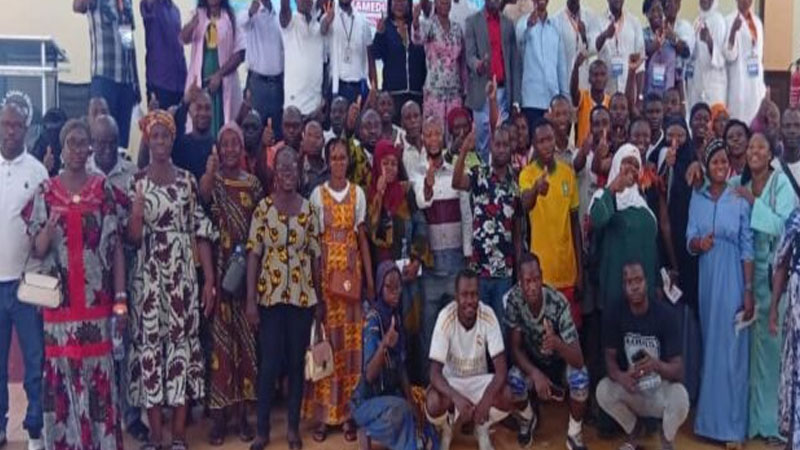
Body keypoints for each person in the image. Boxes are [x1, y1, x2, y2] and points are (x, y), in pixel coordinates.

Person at [23, 119, 125, 449]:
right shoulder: (46, 191)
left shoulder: (102, 188)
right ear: (62, 148)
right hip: (59, 309)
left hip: (97, 306)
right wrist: (49, 229)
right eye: (73, 143)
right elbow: (37, 250)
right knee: (61, 377)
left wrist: (120, 298)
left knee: (99, 378)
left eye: (84, 144)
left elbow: (116, 247)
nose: (79, 150)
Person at [127, 110, 217, 450]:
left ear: (173, 139)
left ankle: (178, 434)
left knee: (181, 348)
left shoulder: (187, 182)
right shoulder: (137, 182)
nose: (161, 141)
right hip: (148, 279)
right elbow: (132, 239)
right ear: (148, 140)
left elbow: (200, 230)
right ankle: (155, 435)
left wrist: (209, 280)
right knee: (150, 349)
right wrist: (137, 213)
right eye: (155, 135)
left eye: (166, 135)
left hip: (181, 278)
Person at [246, 146, 321, 450]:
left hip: (302, 299)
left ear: (299, 172)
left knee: (295, 364)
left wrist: (319, 301)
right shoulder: (263, 209)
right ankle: (263, 430)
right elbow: (253, 255)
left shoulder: (309, 210)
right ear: (275, 173)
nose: (288, 174)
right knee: (269, 364)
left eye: (293, 169)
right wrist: (250, 300)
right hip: (270, 299)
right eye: (283, 169)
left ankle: (292, 428)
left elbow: (315, 256)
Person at [197, 123, 264, 445]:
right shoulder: (215, 181)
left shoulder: (253, 184)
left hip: (247, 272)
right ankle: (219, 419)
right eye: (224, 144)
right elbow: (202, 197)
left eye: (235, 143)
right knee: (220, 348)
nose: (230, 150)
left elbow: (260, 231)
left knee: (247, 346)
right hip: (220, 271)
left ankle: (243, 417)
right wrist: (210, 171)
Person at [305, 138, 375, 443]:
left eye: (342, 157)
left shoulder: (358, 194)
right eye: (333, 157)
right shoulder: (317, 196)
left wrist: (369, 282)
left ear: (349, 161)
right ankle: (324, 416)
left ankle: (348, 415)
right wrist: (316, 291)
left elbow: (362, 240)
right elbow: (314, 247)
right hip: (327, 284)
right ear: (327, 161)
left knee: (351, 348)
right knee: (327, 347)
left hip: (351, 282)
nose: (338, 162)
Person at [687, 138, 754, 446]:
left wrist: (748, 289)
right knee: (711, 347)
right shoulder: (697, 197)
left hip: (733, 280)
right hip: (707, 278)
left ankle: (733, 428)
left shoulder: (738, 198)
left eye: (724, 162)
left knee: (732, 351)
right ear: (706, 164)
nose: (720, 166)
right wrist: (698, 244)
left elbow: (747, 247)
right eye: (715, 161)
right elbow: (689, 237)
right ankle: (709, 424)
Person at [730, 132, 795, 442]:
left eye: (760, 146)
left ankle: (772, 425)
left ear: (771, 154)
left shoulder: (780, 184)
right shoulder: (738, 182)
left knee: (771, 349)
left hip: (773, 277)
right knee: (748, 351)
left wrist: (752, 202)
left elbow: (784, 226)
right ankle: (750, 421)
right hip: (744, 277)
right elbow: (715, 191)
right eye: (750, 146)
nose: (754, 151)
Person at [426, 270, 533, 450]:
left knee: (508, 395)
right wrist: (456, 397)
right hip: (453, 383)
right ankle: (447, 428)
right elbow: (434, 374)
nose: (470, 300)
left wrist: (486, 401)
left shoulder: (488, 315)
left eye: (474, 294)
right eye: (464, 295)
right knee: (433, 402)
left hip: (478, 382)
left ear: (479, 294)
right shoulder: (445, 317)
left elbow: (501, 370)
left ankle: (482, 427)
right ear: (456, 296)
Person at [596, 261, 690, 450]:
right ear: (623, 286)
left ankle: (667, 438)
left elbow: (679, 370)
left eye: (638, 280)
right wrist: (621, 377)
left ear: (646, 282)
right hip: (633, 388)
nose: (634, 286)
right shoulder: (615, 312)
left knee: (681, 397)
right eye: (629, 282)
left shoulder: (665, 315)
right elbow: (609, 358)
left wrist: (656, 365)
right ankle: (634, 430)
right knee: (603, 390)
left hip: (659, 389)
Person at [505, 254, 589, 449]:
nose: (533, 286)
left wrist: (557, 343)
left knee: (581, 377)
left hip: (559, 365)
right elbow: (515, 348)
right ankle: (528, 418)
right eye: (527, 281)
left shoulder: (558, 302)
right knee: (514, 379)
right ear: (520, 281)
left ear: (542, 277)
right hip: (533, 363)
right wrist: (535, 374)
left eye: (536, 279)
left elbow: (578, 359)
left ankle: (574, 433)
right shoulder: (514, 300)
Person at [0, 103, 48, 450]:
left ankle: (34, 430)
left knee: (34, 362)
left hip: (28, 282)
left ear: (27, 129)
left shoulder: (38, 172)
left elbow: (45, 229)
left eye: (16, 125)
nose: (9, 131)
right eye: (4, 124)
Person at [413, 116, 470, 378]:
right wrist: (428, 183)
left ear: (444, 137)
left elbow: (466, 214)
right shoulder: (418, 171)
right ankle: (429, 384)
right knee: (429, 328)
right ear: (423, 139)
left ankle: (457, 380)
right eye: (429, 134)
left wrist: (467, 253)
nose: (434, 139)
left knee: (457, 327)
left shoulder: (455, 170)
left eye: (437, 133)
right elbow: (422, 201)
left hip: (456, 262)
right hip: (431, 267)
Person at [452, 125, 520, 329]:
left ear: (511, 147)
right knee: (479, 328)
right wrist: (464, 149)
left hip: (504, 272)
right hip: (479, 270)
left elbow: (517, 230)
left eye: (505, 145)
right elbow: (456, 182)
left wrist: (517, 270)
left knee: (501, 328)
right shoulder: (479, 173)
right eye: (497, 144)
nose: (501, 149)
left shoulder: (516, 181)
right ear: (491, 146)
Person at [350, 261, 422, 450]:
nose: (395, 292)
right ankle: (367, 429)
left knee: (421, 412)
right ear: (380, 287)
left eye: (398, 287)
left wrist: (411, 401)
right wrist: (384, 345)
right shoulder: (373, 320)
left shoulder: (395, 317)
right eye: (389, 287)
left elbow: (401, 366)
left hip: (389, 395)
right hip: (366, 401)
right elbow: (369, 375)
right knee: (402, 412)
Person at [519, 119, 582, 327]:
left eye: (549, 139)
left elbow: (574, 224)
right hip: (541, 275)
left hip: (568, 272)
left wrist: (580, 273)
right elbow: (525, 203)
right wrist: (536, 189)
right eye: (541, 141)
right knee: (543, 334)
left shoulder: (568, 173)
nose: (546, 145)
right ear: (534, 145)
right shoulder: (527, 174)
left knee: (570, 332)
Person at [590, 144, 658, 312]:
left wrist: (658, 283)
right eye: (627, 162)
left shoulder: (641, 202)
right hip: (616, 289)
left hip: (644, 293)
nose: (631, 168)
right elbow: (597, 219)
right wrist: (613, 188)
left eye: (636, 165)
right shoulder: (602, 195)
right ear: (617, 164)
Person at [73, 0, 140, 147]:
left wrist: (136, 84)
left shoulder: (126, 2)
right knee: (101, 136)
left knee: (121, 142)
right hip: (104, 77)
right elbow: (77, 6)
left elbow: (128, 43)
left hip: (127, 82)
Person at [181, 0, 245, 138]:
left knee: (222, 124)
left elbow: (240, 53)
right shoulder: (198, 14)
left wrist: (219, 75)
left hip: (222, 83)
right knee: (198, 124)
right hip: (200, 84)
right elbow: (183, 39)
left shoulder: (230, 17)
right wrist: (192, 24)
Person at [464, 0, 519, 159]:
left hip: (503, 92)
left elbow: (514, 62)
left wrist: (516, 99)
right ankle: (483, 173)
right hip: (482, 90)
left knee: (502, 140)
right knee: (483, 143)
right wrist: (479, 65)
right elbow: (469, 56)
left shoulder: (508, 23)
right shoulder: (472, 22)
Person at [768, 207, 800, 448]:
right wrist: (773, 308)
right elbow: (781, 263)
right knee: (794, 376)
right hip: (797, 314)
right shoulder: (796, 218)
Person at [412, 0, 466, 126]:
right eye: (441, 2)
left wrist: (465, 89)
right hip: (435, 92)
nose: (444, 4)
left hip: (454, 92)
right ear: (435, 3)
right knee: (434, 131)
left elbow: (461, 61)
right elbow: (417, 39)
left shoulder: (457, 28)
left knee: (455, 129)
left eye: (447, 2)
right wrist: (415, 21)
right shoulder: (429, 25)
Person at [516, 0, 568, 130]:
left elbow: (561, 67)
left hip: (553, 101)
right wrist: (528, 25)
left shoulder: (555, 27)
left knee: (553, 140)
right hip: (531, 101)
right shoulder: (523, 23)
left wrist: (566, 99)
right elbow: (518, 44)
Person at [371, 0, 426, 120]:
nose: (399, 4)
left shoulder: (417, 25)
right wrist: (380, 34)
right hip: (393, 95)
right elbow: (376, 54)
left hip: (416, 93)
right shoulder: (386, 26)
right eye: (395, 1)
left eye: (403, 1)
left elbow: (424, 56)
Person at [280, 0, 334, 116]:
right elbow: (284, 8)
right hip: (294, 108)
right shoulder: (290, 22)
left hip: (316, 107)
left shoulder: (318, 28)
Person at [242, 0, 285, 139]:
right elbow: (240, 23)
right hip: (258, 84)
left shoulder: (278, 12)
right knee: (256, 132)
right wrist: (250, 12)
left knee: (277, 132)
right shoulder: (252, 12)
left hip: (277, 84)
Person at [724, 0, 765, 124]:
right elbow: (729, 55)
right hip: (739, 82)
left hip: (755, 82)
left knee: (756, 121)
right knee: (739, 121)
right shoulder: (728, 21)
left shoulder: (757, 22)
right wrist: (733, 31)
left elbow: (759, 56)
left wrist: (763, 87)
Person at [141, 0, 188, 109]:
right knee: (160, 119)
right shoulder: (151, 5)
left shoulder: (175, 11)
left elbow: (179, 45)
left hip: (179, 83)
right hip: (159, 83)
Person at [592, 0, 645, 94]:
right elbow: (593, 49)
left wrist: (640, 96)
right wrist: (605, 35)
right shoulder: (597, 22)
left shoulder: (634, 22)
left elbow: (640, 64)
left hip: (629, 92)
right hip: (606, 93)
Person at [686, 0, 727, 109]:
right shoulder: (697, 21)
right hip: (697, 83)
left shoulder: (718, 21)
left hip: (713, 86)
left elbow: (722, 58)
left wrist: (709, 42)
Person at [330, 0, 372, 103]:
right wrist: (327, 21)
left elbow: (370, 56)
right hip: (337, 85)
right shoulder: (330, 17)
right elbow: (323, 29)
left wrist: (373, 86)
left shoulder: (363, 21)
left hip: (359, 86)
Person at [553, 0, 598, 93]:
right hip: (565, 82)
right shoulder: (555, 20)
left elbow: (595, 48)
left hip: (585, 82)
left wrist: (584, 36)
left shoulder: (591, 16)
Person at [88, 115, 137, 191]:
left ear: (118, 141)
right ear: (92, 143)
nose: (108, 149)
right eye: (102, 143)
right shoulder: (82, 172)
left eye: (112, 143)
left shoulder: (133, 172)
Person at [572, 57, 610, 149]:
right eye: (595, 75)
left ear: (607, 78)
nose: (599, 78)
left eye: (602, 74)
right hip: (583, 152)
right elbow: (573, 92)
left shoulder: (610, 101)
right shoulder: (583, 97)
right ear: (589, 78)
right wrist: (576, 67)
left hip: (604, 150)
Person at [642, 0, 677, 98]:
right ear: (646, 14)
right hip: (648, 95)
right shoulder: (642, 35)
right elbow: (639, 61)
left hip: (668, 96)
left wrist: (674, 38)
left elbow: (679, 70)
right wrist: (653, 47)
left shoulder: (671, 35)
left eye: (659, 10)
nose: (656, 14)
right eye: (652, 10)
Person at [300, 121, 330, 198]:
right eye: (309, 135)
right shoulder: (298, 168)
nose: (312, 141)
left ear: (323, 141)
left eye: (317, 137)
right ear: (303, 139)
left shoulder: (330, 169)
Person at [776, 108, 800, 182]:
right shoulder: (772, 168)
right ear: (780, 130)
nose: (792, 131)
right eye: (787, 126)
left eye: (797, 126)